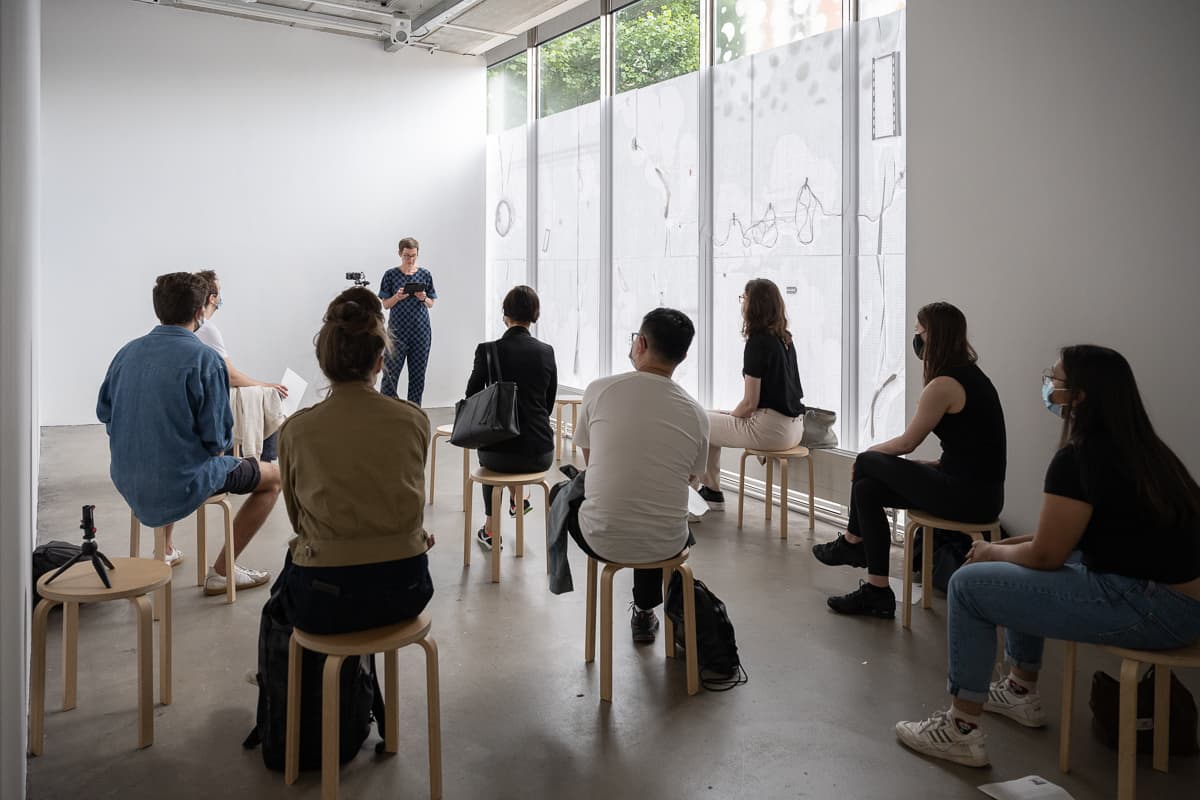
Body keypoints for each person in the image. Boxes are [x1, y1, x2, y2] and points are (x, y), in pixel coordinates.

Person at [895, 345, 1200, 767]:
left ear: (1080, 396)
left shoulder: (1078, 459)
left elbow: (1045, 556)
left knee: (967, 586)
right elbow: (1061, 540)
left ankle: (961, 729)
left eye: (1054, 379)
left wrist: (991, 553)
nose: (1047, 385)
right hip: (1180, 603)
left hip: (1151, 608)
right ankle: (1020, 691)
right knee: (1016, 559)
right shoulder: (1145, 452)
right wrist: (1001, 548)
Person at [812, 301, 1006, 618]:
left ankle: (852, 541)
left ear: (934, 336)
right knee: (867, 490)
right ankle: (877, 591)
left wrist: (867, 458)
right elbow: (969, 452)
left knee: (867, 461)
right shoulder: (971, 377)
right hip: (975, 492)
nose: (916, 340)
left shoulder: (944, 384)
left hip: (968, 497)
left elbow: (907, 443)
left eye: (919, 332)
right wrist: (922, 468)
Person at [96, 272, 279, 594]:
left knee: (169, 449)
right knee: (274, 477)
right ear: (199, 313)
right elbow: (218, 440)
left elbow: (104, 413)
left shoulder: (126, 353)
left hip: (127, 477)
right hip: (181, 481)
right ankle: (222, 572)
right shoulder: (204, 359)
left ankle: (164, 549)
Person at [276, 288, 434, 634]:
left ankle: (310, 688)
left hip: (326, 594)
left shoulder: (295, 431)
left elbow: (299, 519)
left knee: (280, 602)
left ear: (323, 361)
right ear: (381, 361)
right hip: (406, 587)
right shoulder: (414, 421)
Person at [564, 308, 709, 642]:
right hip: (667, 541)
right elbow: (691, 479)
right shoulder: (697, 414)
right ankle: (645, 612)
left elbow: (591, 460)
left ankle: (558, 582)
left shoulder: (600, 390)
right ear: (684, 356)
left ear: (641, 343)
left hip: (599, 536)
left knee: (565, 492)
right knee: (657, 500)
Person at [696, 278, 805, 510]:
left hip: (771, 430)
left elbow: (748, 404)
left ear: (753, 305)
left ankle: (703, 494)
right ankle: (710, 491)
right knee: (709, 417)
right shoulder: (785, 338)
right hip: (795, 428)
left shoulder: (758, 342)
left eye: (744, 299)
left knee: (700, 421)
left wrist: (734, 417)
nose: (742, 304)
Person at [466, 286, 557, 550]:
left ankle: (491, 530)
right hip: (540, 452)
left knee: (492, 446)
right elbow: (547, 405)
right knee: (512, 449)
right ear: (534, 315)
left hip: (499, 454)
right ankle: (521, 496)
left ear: (505, 315)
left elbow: (471, 395)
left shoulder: (487, 350)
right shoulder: (546, 351)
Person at [195, 269, 288, 461]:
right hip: (210, 394)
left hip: (205, 390)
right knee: (269, 397)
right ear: (212, 298)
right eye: (219, 292)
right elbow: (231, 376)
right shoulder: (207, 329)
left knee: (261, 394)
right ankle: (262, 464)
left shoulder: (199, 326)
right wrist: (265, 386)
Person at [379, 236, 437, 404]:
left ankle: (414, 414)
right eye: (406, 255)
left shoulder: (425, 274)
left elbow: (431, 303)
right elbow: (386, 304)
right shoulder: (390, 275)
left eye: (413, 256)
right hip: (397, 333)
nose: (410, 259)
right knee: (389, 376)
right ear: (399, 254)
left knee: (418, 378)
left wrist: (423, 297)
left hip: (421, 332)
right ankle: (387, 412)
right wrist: (397, 297)